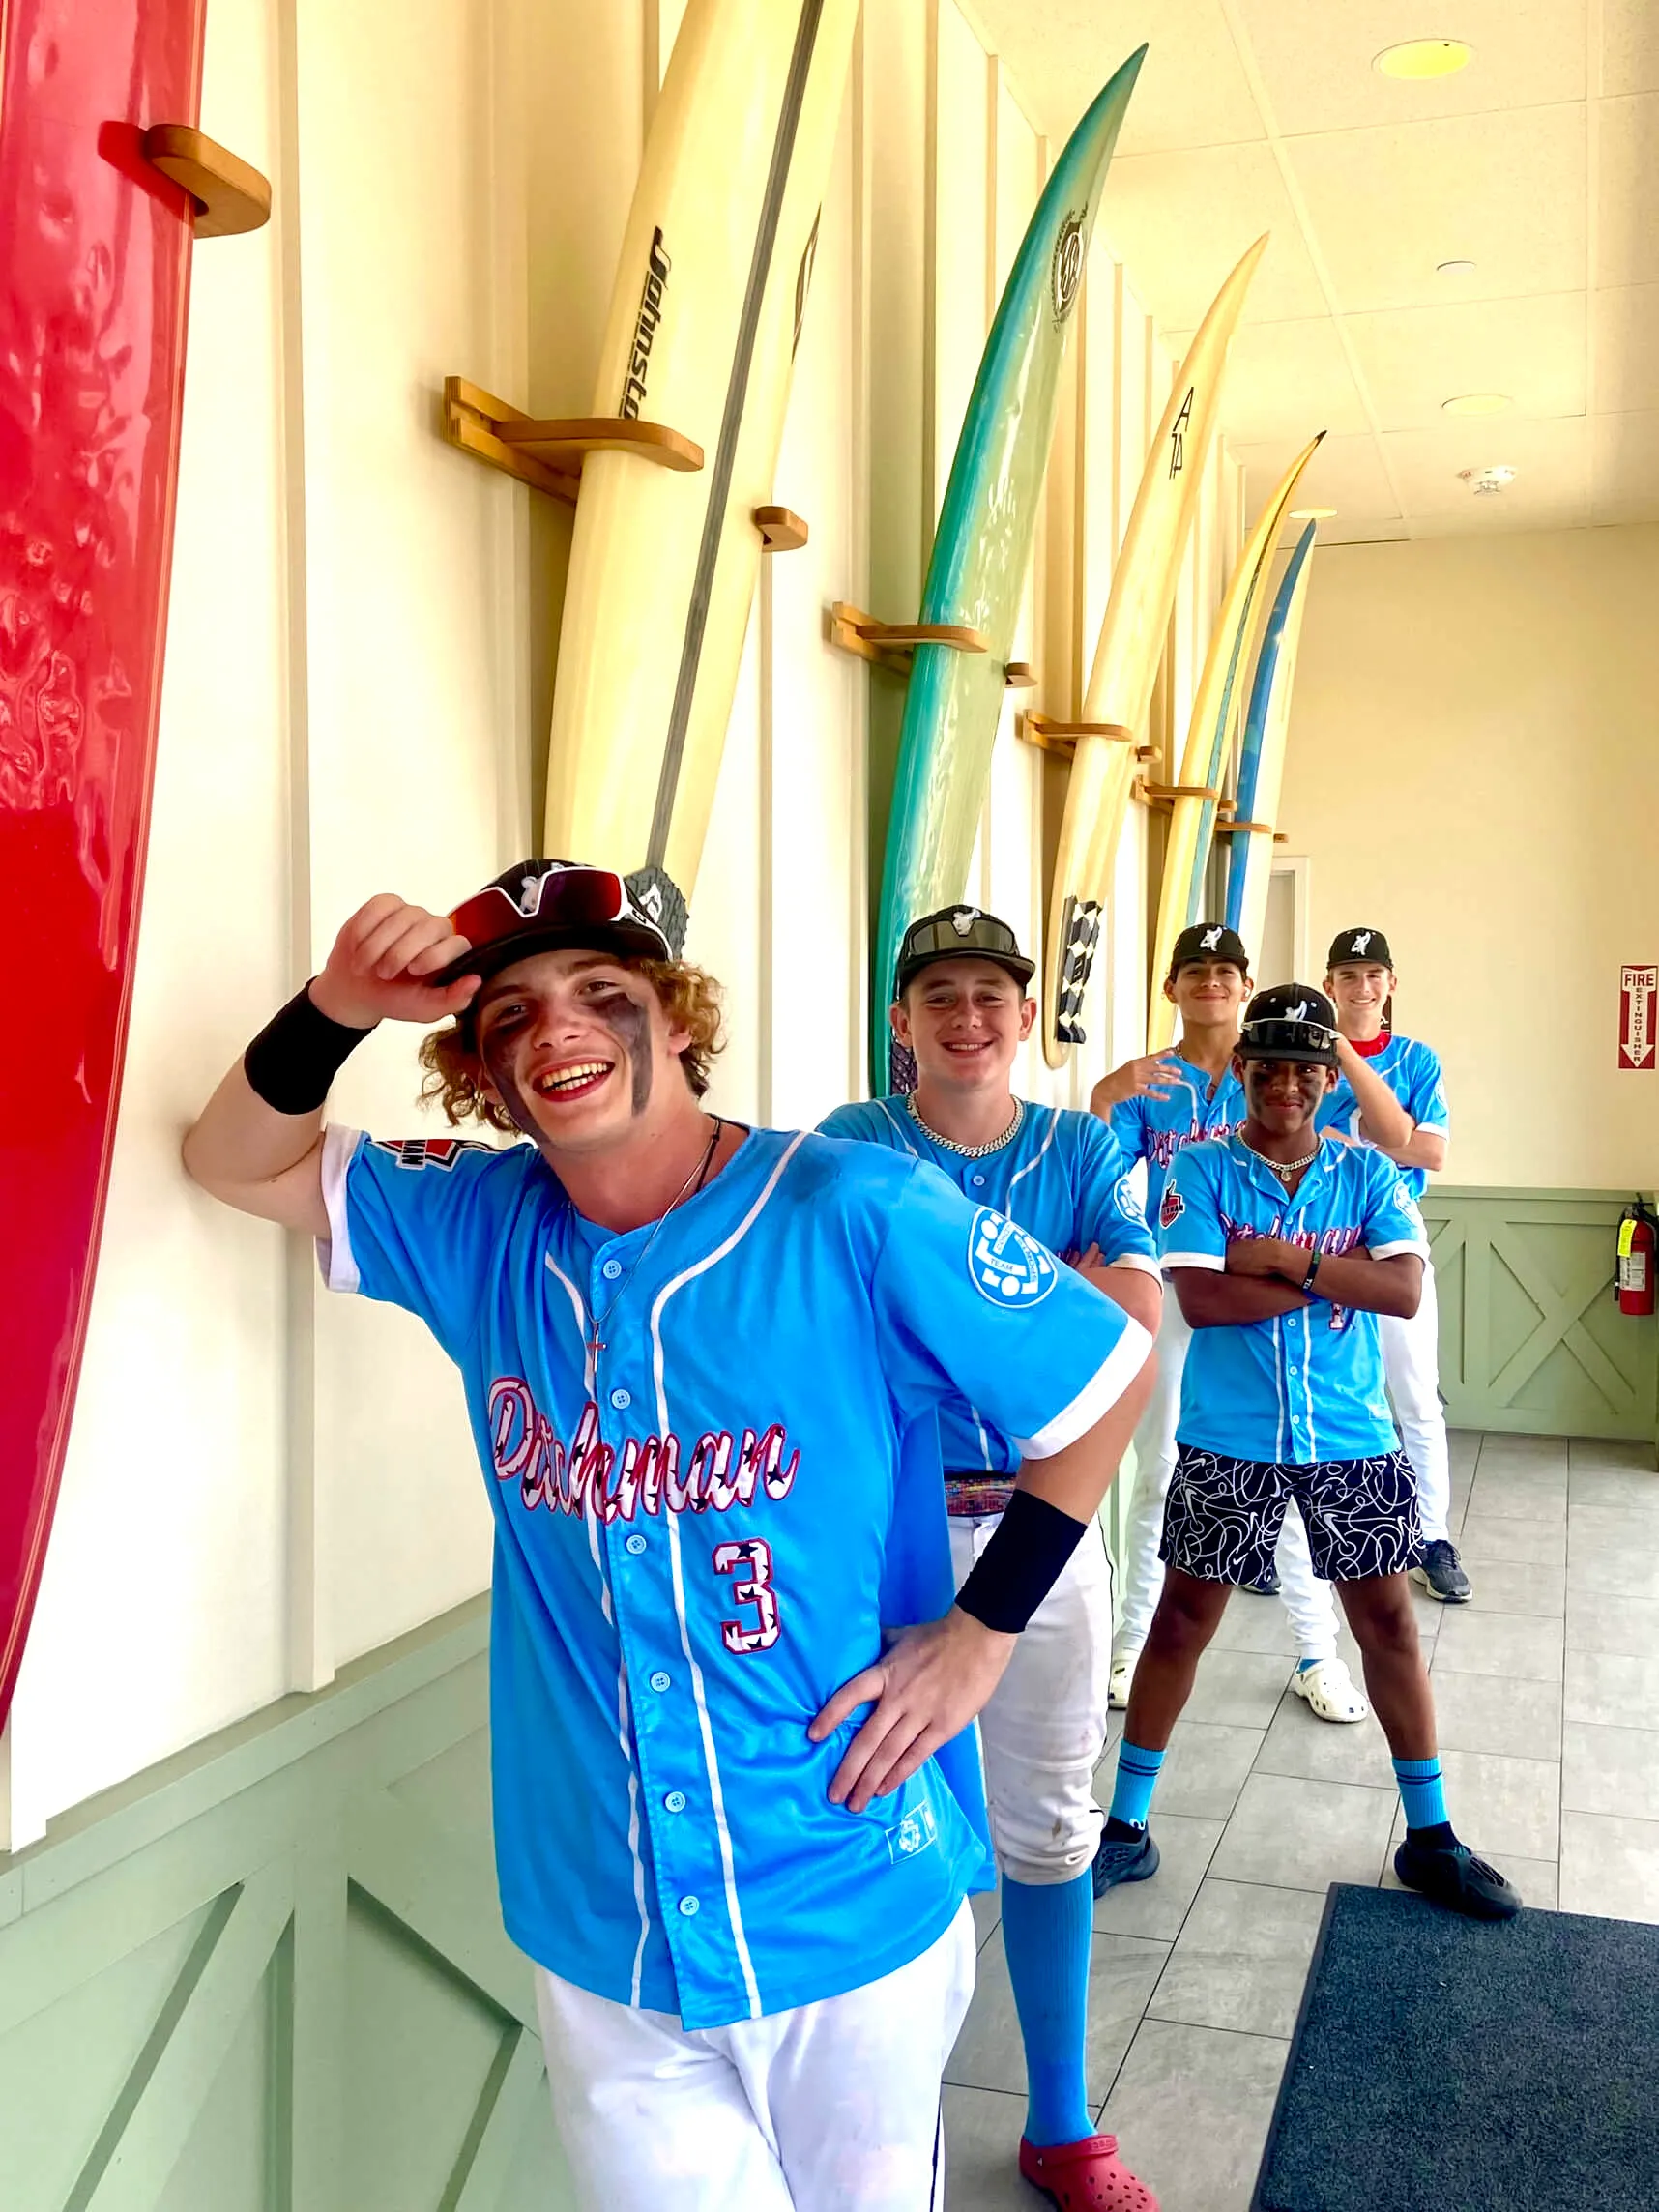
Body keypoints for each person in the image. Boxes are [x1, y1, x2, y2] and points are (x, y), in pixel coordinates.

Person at [181, 859, 1156, 2212]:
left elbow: (1102, 1377)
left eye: (602, 992)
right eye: (511, 1017)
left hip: (842, 1880)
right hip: (606, 1922)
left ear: (678, 1017)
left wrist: (982, 1635)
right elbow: (231, 1158)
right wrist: (339, 1003)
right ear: (485, 1078)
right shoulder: (479, 1223)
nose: (558, 1030)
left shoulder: (849, 1205)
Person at [823, 904, 1161, 2212]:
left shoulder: (1082, 1146)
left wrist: (943, 1317)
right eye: (939, 995)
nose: (968, 1016)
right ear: (900, 1021)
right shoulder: (853, 1143)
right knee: (876, 1809)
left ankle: (1060, 2119)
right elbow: (834, 1327)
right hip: (886, 1530)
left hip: (1040, 1521)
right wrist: (1044, 1299)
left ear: (1026, 1014)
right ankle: (883, 2124)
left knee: (1050, 1824)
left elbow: (1134, 1324)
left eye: (989, 994)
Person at [1094, 985, 1518, 1922]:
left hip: (1351, 1435)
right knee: (1180, 1623)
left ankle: (1431, 1836)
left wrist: (1288, 1261)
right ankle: (1127, 1825)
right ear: (1244, 1071)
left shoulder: (1366, 1171)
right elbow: (1204, 1301)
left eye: (1307, 1070)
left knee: (1389, 1627)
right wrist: (1343, 1278)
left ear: (1332, 1081)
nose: (1287, 1084)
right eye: (1270, 1067)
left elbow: (1403, 1291)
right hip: (1229, 1435)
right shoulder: (1201, 1168)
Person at [1091, 925, 1412, 1727]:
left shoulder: (1291, 1071)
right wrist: (1103, 1095)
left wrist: (1282, 1264)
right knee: (1162, 1472)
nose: (1211, 982)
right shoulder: (1153, 1082)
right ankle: (1132, 1643)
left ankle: (1316, 1654)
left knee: (1305, 1483)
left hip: (1285, 1326)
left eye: (1226, 971)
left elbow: (1392, 1160)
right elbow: (1108, 1183)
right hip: (1182, 1287)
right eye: (1194, 970)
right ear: (1171, 987)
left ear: (1245, 986)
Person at [1322, 927, 1468, 1602]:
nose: (1362, 986)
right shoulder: (1309, 1058)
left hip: (1393, 1239)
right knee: (1312, 1390)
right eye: (1349, 975)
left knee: (1414, 1393)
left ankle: (1431, 1538)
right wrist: (1391, 1137)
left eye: (1373, 974)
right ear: (1330, 985)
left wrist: (1354, 1137)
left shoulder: (1414, 1059)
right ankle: (1295, 1540)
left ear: (1391, 984)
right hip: (1318, 1238)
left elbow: (1429, 1152)